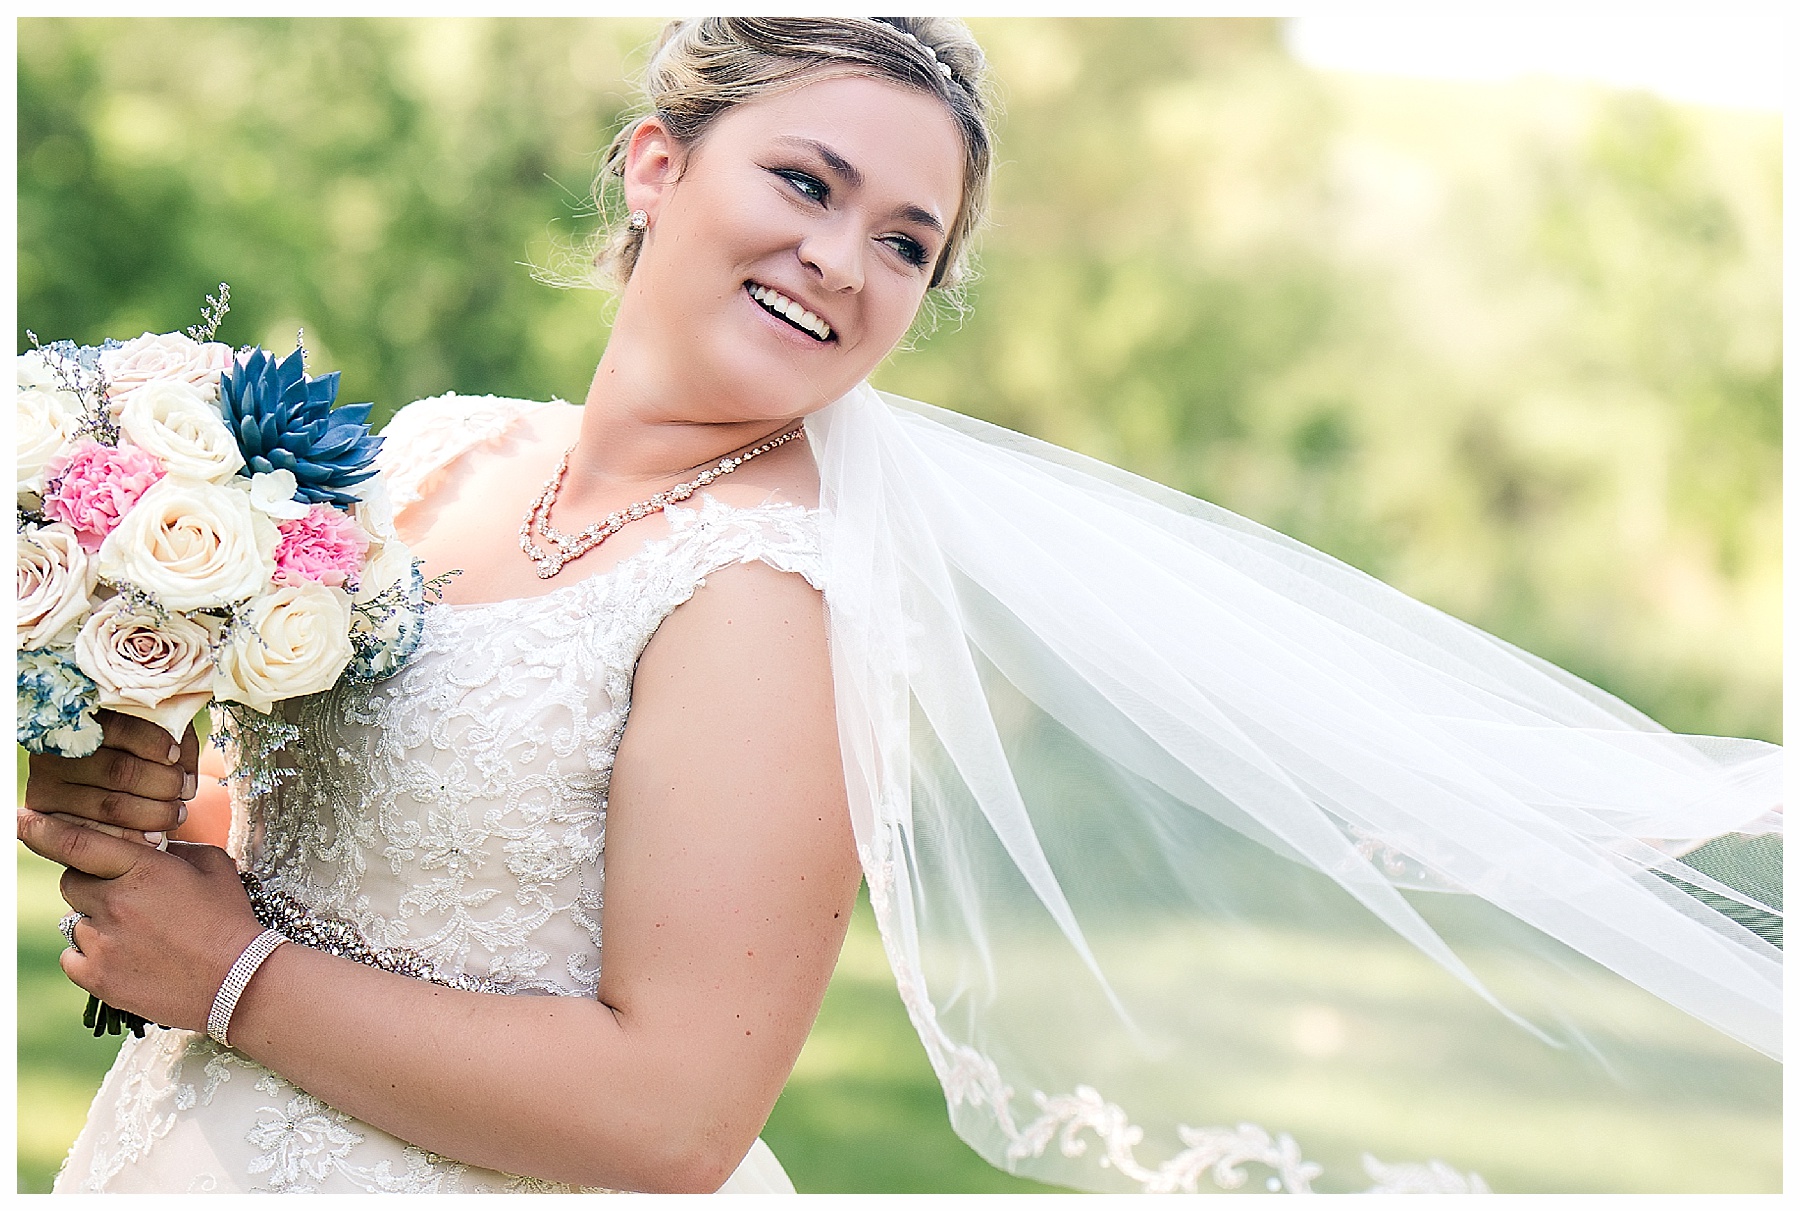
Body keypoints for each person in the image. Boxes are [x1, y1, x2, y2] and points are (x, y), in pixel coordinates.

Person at [17, 17, 1780, 1195]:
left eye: (907, 242)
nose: (842, 261)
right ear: (656, 167)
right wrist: (144, 792)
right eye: (806, 183)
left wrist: (228, 972)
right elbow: (371, 845)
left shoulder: (768, 598)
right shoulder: (439, 454)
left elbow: (677, 1113)